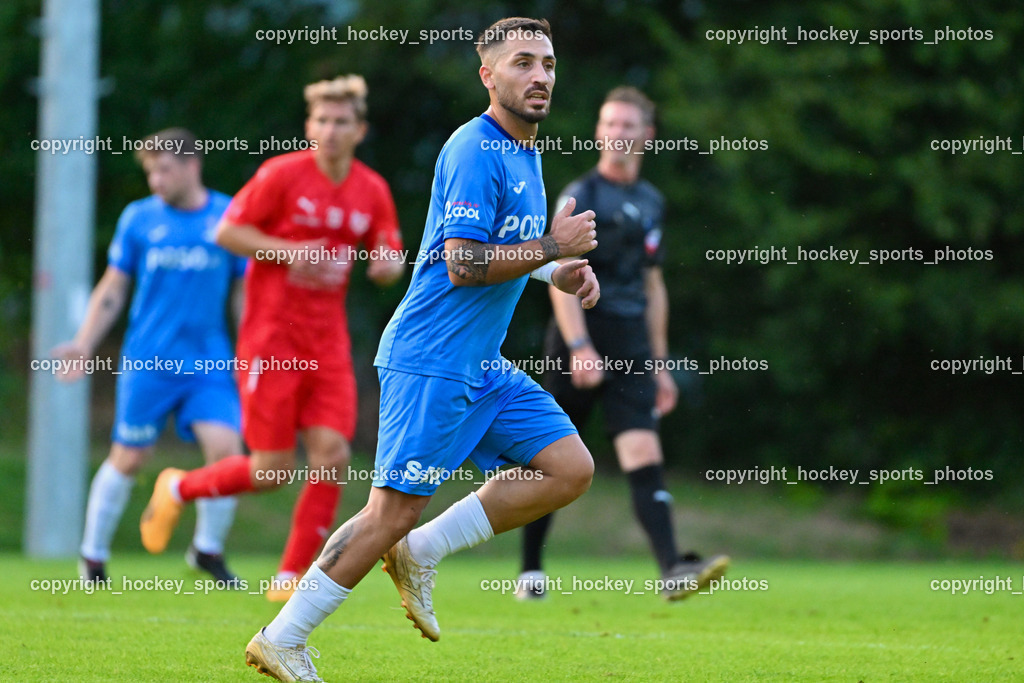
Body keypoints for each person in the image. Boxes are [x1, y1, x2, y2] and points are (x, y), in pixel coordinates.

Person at [241, 17, 601, 681]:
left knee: (568, 468)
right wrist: (554, 245)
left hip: (481, 365)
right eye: (522, 62)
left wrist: (557, 271)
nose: (540, 76)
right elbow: (463, 264)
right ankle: (282, 637)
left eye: (548, 63)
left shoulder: (525, 152)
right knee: (390, 511)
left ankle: (422, 550)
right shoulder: (474, 148)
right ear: (487, 75)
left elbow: (503, 248)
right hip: (431, 359)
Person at [139, 75, 405, 602]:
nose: (331, 130)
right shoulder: (281, 174)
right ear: (309, 127)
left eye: (341, 122)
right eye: (322, 120)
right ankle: (179, 486)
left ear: (360, 130)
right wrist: (288, 252)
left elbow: (389, 255)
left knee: (332, 455)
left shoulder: (371, 188)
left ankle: (290, 578)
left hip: (327, 344)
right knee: (271, 470)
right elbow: (227, 232)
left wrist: (386, 267)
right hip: (271, 342)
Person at [515, 87, 729, 602]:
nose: (616, 134)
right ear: (598, 131)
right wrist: (580, 345)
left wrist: (659, 363)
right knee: (548, 459)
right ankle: (529, 572)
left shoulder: (652, 201)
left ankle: (672, 569)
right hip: (579, 337)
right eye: (609, 123)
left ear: (647, 135)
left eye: (627, 125)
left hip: (632, 344)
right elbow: (560, 275)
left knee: (643, 450)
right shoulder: (581, 194)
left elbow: (653, 286)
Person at [54, 128, 246, 586]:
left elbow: (244, 292)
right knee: (129, 457)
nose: (156, 180)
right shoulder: (138, 218)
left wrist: (252, 351)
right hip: (149, 360)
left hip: (209, 362)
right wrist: (84, 342)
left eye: (164, 170)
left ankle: (207, 550)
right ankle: (93, 558)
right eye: (150, 172)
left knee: (227, 452)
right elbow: (113, 287)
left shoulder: (229, 216)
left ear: (192, 165)